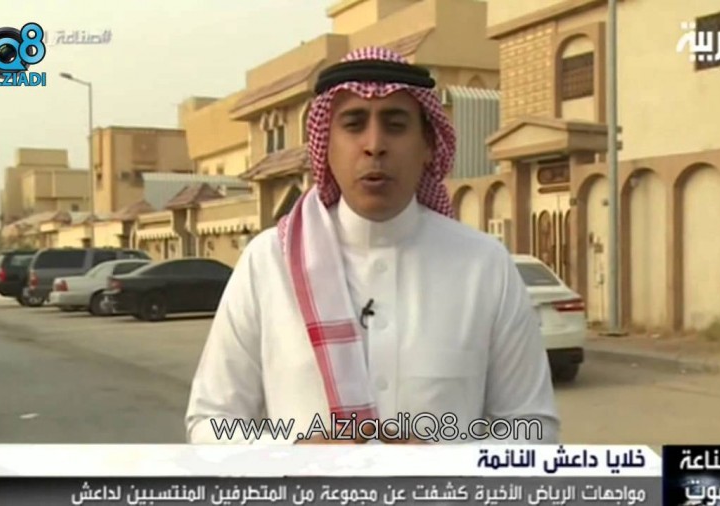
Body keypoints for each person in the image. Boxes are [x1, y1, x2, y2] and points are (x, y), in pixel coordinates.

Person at [185, 46, 559, 445]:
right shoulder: (268, 262)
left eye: (395, 125)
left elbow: (535, 429)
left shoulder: (483, 265)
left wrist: (444, 459)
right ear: (325, 146)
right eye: (354, 124)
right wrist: (295, 455)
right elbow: (210, 423)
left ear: (428, 145)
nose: (374, 144)